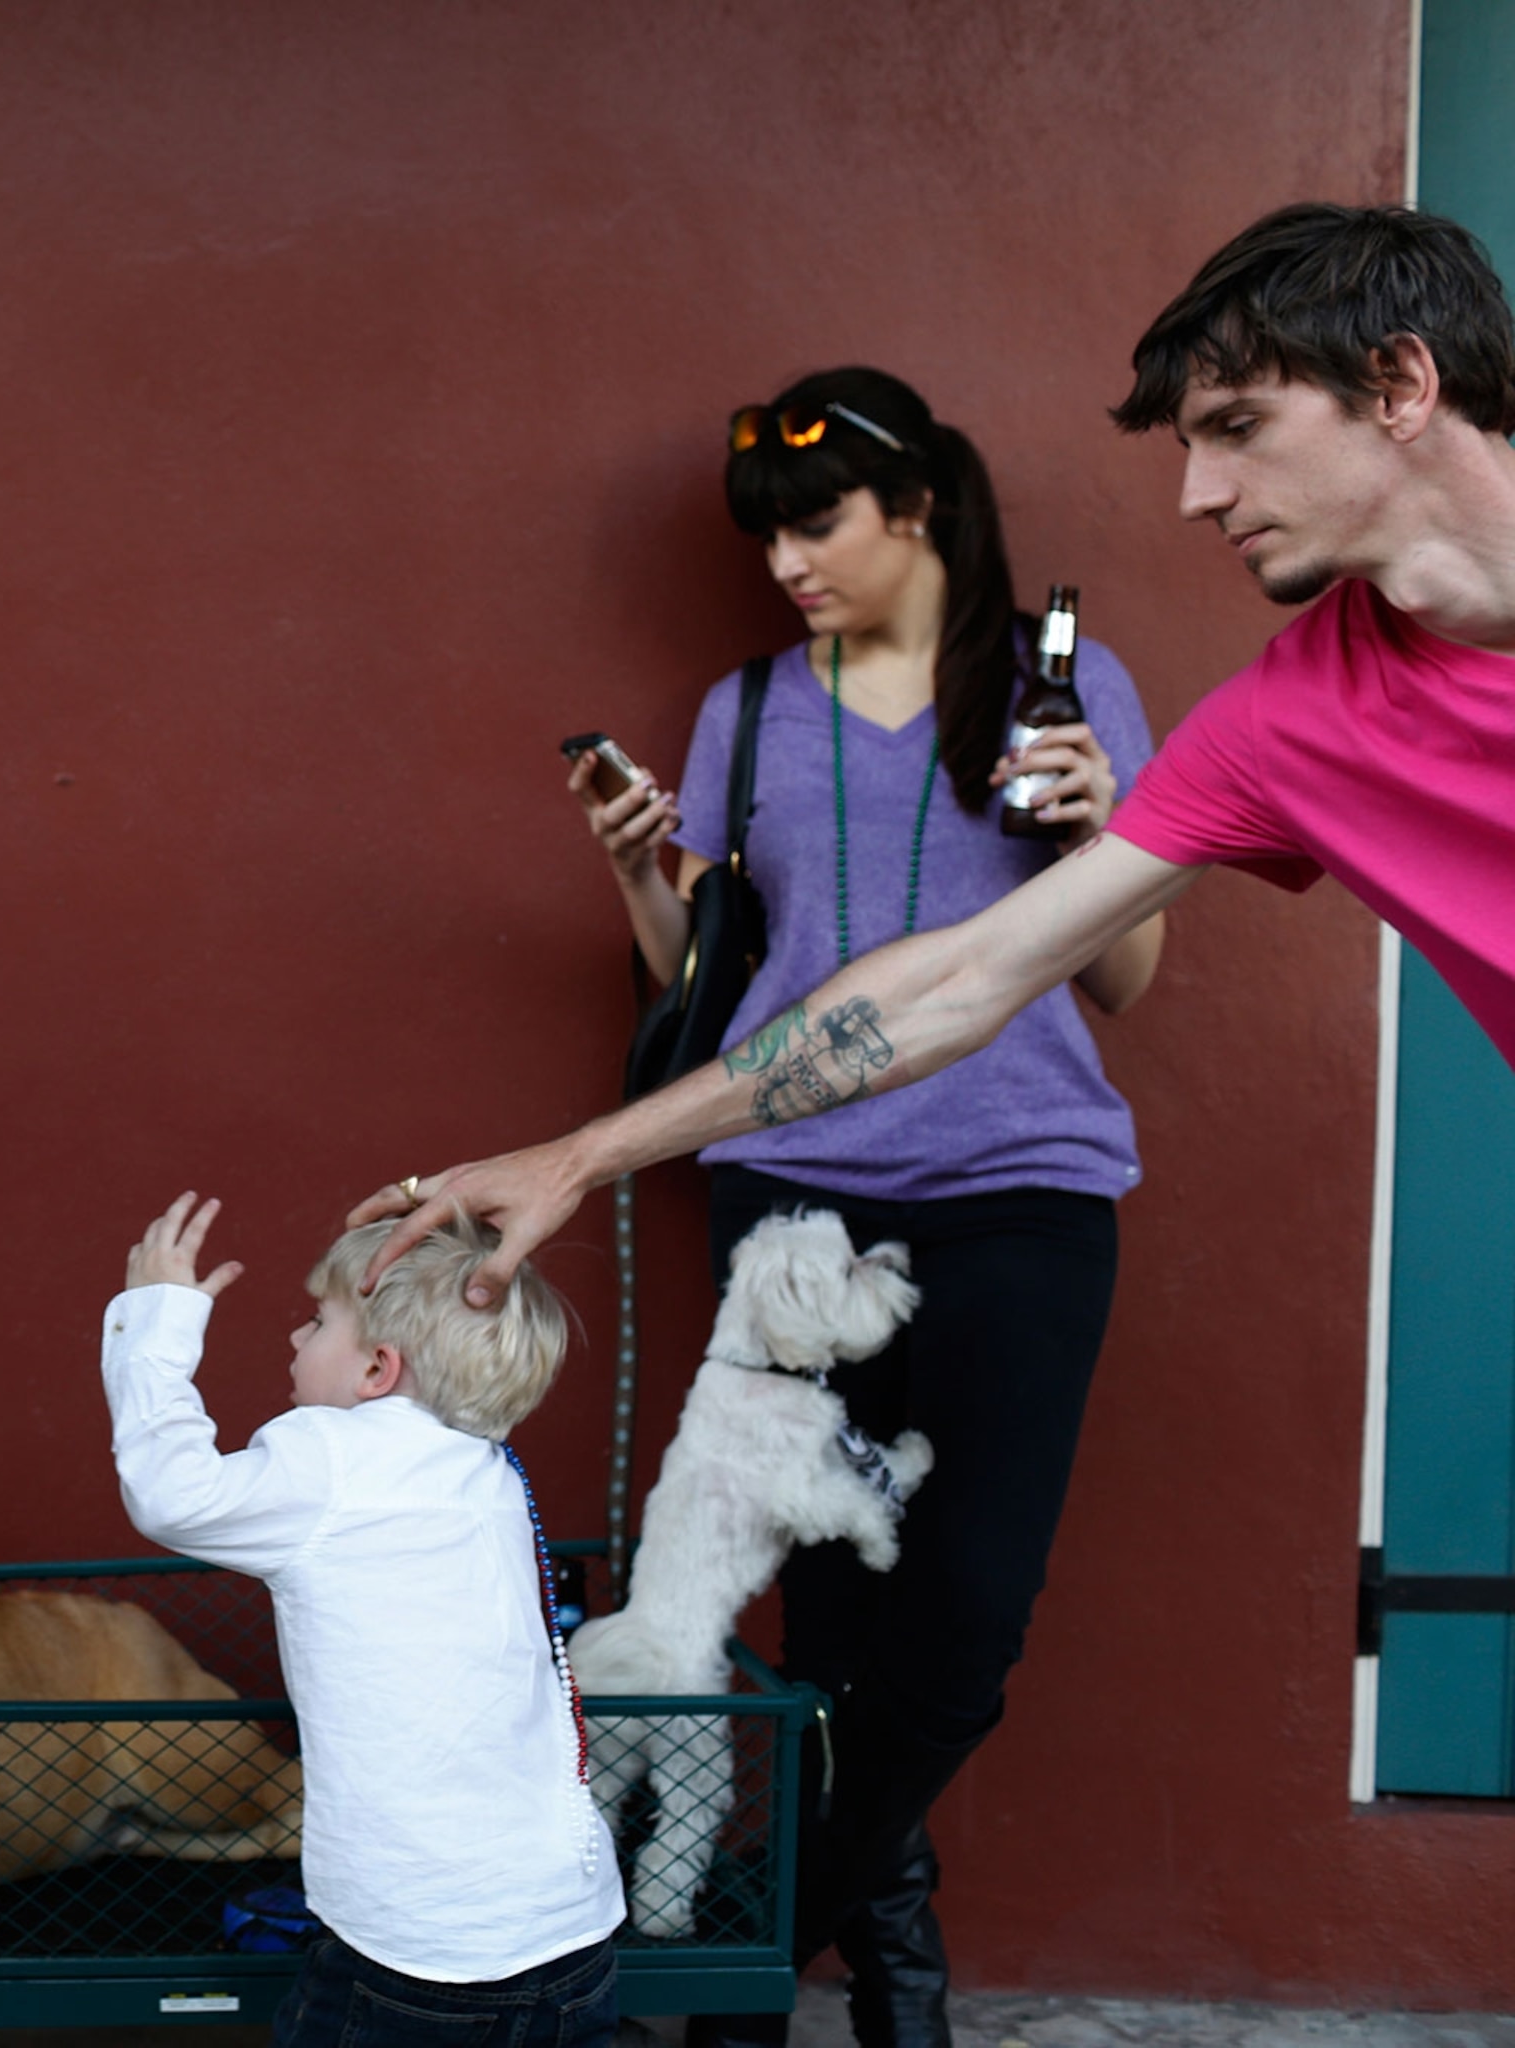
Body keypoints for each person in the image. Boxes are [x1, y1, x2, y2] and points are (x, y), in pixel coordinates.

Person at [364, 201, 1515, 1293]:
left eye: (1239, 428)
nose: (1195, 494)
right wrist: (577, 1157)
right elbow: (961, 979)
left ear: (1400, 385)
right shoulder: (1285, 723)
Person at [554, 366, 1160, 2048]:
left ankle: (767, 1930)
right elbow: (707, 984)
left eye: (813, 523)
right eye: (762, 537)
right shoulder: (742, 710)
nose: (783, 563)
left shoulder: (1070, 686)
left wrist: (1105, 820)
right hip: (793, 1206)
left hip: (1025, 1192)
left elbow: (1129, 973)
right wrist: (628, 866)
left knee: (962, 1624)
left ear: (918, 507)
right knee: (819, 1622)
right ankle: (867, 1955)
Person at [102, 1193, 620, 2048]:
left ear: (378, 1371)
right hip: (570, 1931)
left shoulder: (338, 1457)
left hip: (418, 1956)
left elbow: (171, 1494)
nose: (297, 1340)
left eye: (316, 1323)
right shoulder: (491, 1473)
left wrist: (155, 1321)